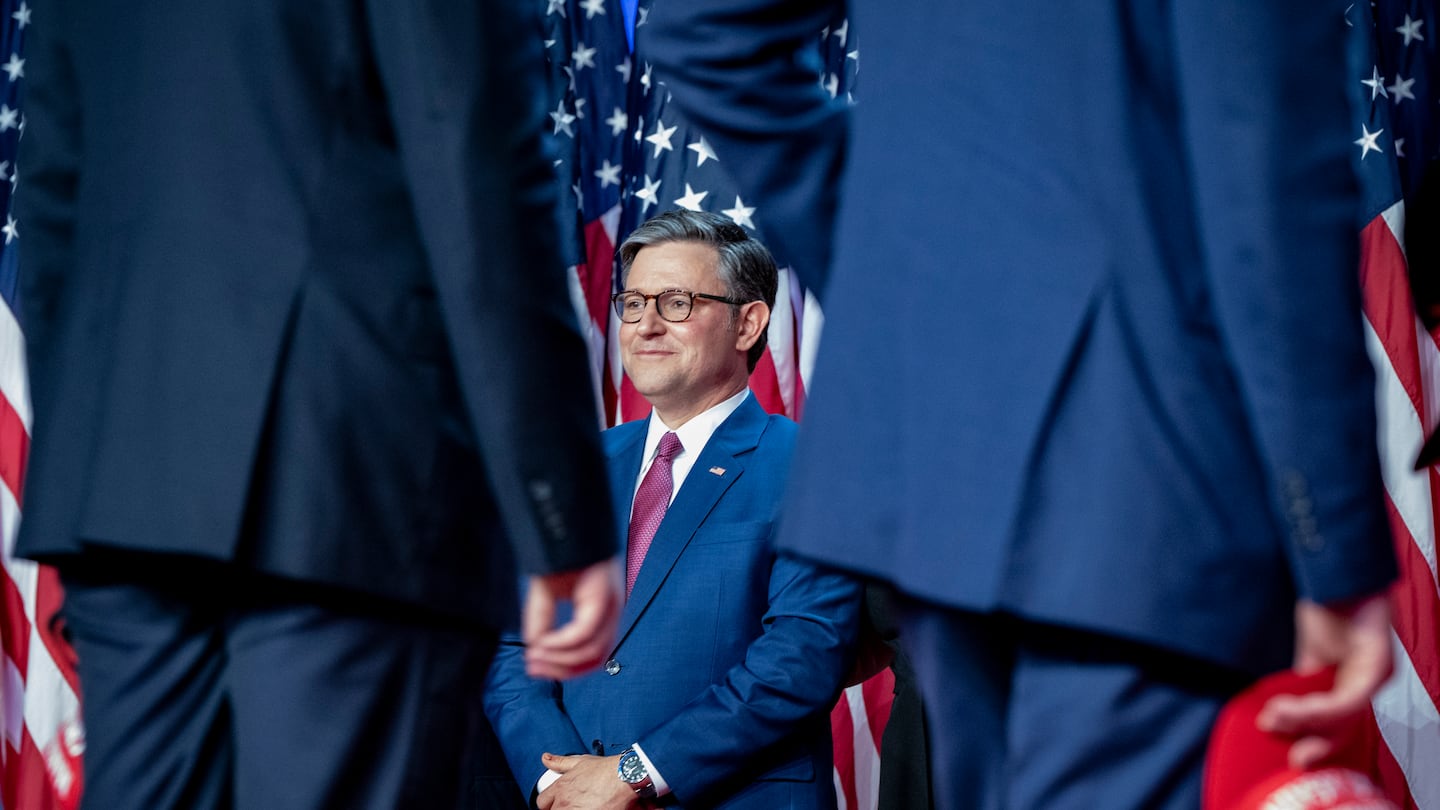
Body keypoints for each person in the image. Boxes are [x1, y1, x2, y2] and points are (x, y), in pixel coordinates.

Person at [644, 2, 1398, 808]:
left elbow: (702, 29)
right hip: (1145, 474)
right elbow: (1270, 158)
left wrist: (912, 281)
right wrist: (1333, 542)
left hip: (944, 478)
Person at [15, 3, 623, 808]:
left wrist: (87, 471)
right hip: (348, 478)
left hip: (131, 493)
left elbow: (53, 197)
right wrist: (561, 511)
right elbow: (479, 174)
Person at [484, 209, 861, 810]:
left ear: (748, 323)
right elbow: (514, 645)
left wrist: (635, 774)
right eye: (632, 303)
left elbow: (801, 657)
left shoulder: (812, 466)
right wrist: (558, 782)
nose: (645, 325)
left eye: (677, 302)